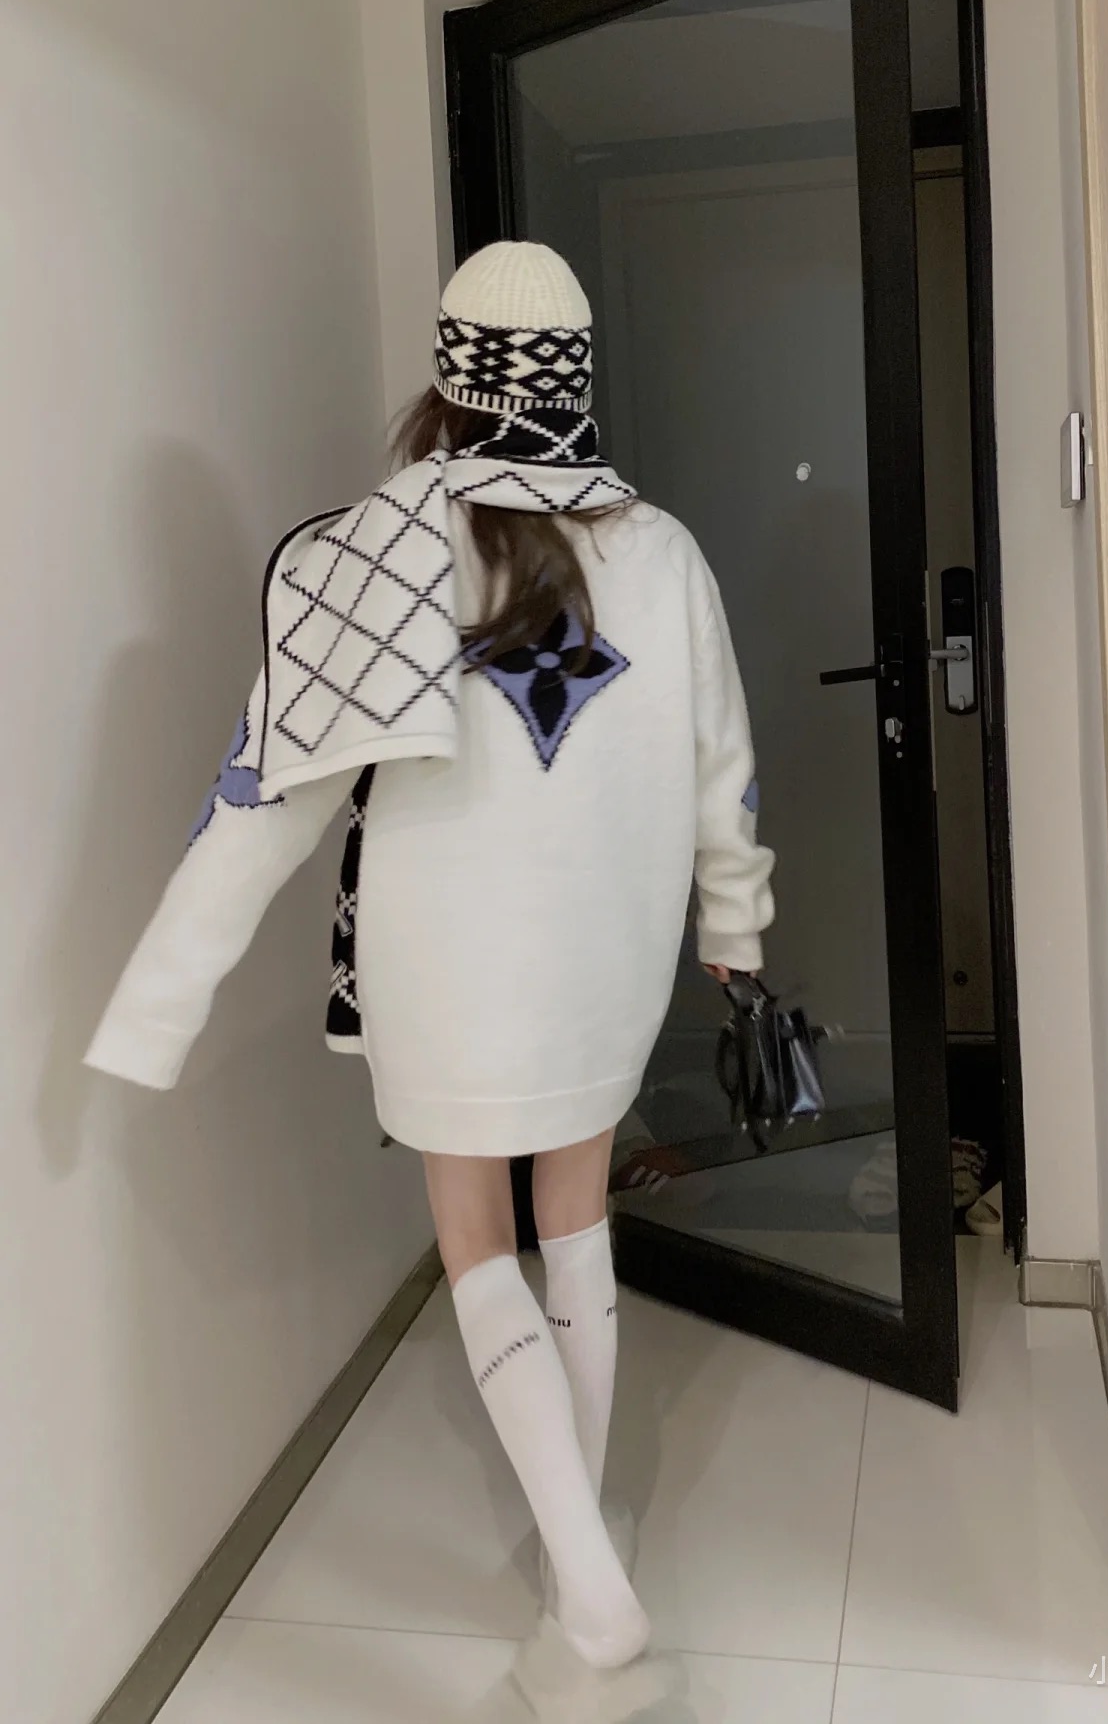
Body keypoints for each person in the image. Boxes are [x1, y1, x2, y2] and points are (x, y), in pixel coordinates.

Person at [85, 240, 775, 1720]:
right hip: (605, 948)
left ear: (453, 379)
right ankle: (583, 1548)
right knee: (576, 1219)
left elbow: (262, 802)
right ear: (575, 373)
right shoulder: (662, 550)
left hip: (445, 960)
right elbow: (723, 761)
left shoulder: (369, 552)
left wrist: (156, 1004)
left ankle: (587, 1580)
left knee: (476, 1244)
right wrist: (737, 918)